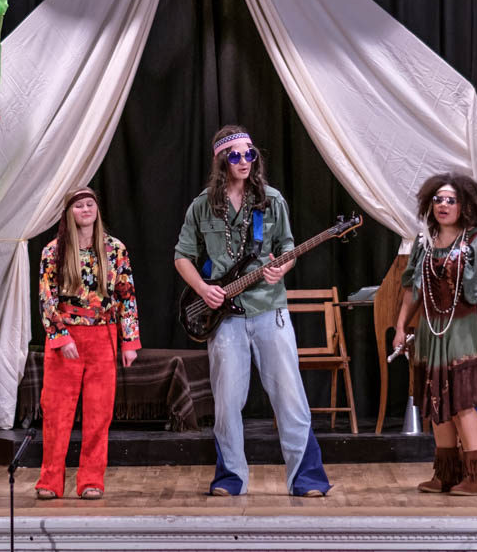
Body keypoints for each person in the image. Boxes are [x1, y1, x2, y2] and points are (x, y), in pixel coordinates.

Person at [174, 126, 331, 497]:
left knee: (289, 395)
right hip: (224, 318)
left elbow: (288, 247)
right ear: (221, 161)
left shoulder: (271, 200)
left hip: (269, 309)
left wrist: (282, 268)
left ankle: (306, 477)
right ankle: (231, 477)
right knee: (227, 402)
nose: (244, 161)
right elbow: (182, 256)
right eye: (236, 155)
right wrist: (203, 289)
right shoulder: (202, 206)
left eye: (250, 154)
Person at [391, 173, 477, 496]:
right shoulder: (425, 243)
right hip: (431, 333)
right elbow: (412, 289)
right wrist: (401, 326)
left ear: (465, 206)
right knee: (437, 400)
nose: (443, 205)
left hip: (463, 332)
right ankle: (447, 473)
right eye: (438, 200)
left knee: (461, 402)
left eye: (451, 200)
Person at [36, 186, 141, 500]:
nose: (85, 210)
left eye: (89, 205)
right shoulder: (54, 251)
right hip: (67, 335)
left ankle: (91, 480)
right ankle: (50, 480)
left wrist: (129, 341)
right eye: (79, 205)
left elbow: (126, 295)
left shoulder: (114, 249)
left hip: (103, 335)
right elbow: (46, 298)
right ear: (69, 212)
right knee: (57, 412)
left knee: (98, 413)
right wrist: (60, 335)